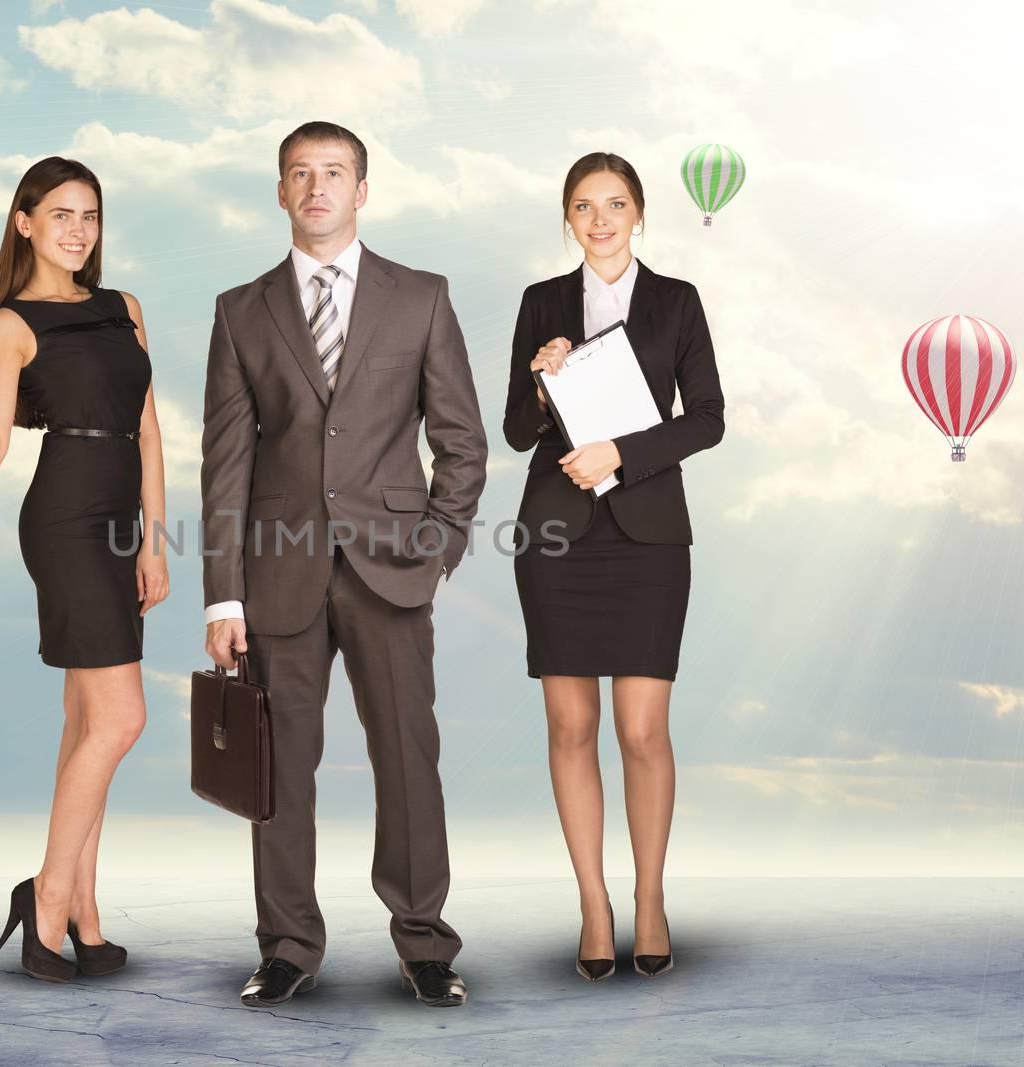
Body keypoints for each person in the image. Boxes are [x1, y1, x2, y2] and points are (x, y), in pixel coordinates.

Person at [200, 121, 488, 1008]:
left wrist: (437, 547)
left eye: (333, 172)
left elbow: (462, 441)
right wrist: (222, 592)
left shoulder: (422, 296)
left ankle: (425, 941)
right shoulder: (240, 310)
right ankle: (287, 944)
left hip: (394, 567)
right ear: (280, 192)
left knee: (408, 756)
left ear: (362, 190)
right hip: (276, 574)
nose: (316, 185)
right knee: (276, 769)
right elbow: (226, 461)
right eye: (299, 173)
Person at [0, 156, 169, 983]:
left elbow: (149, 430)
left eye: (90, 215)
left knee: (84, 721)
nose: (78, 230)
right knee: (121, 719)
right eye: (60, 214)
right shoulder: (9, 323)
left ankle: (86, 916)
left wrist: (157, 538)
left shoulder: (122, 306)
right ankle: (49, 893)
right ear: (23, 221)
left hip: (122, 520)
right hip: (63, 519)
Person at [503, 151, 724, 982]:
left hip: (648, 534)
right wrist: (538, 379)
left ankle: (651, 897)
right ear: (566, 218)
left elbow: (707, 418)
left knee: (641, 730)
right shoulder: (541, 303)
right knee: (571, 727)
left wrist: (619, 455)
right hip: (556, 535)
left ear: (641, 215)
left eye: (617, 204)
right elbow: (518, 434)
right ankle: (594, 903)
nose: (601, 219)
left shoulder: (677, 301)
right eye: (585, 206)